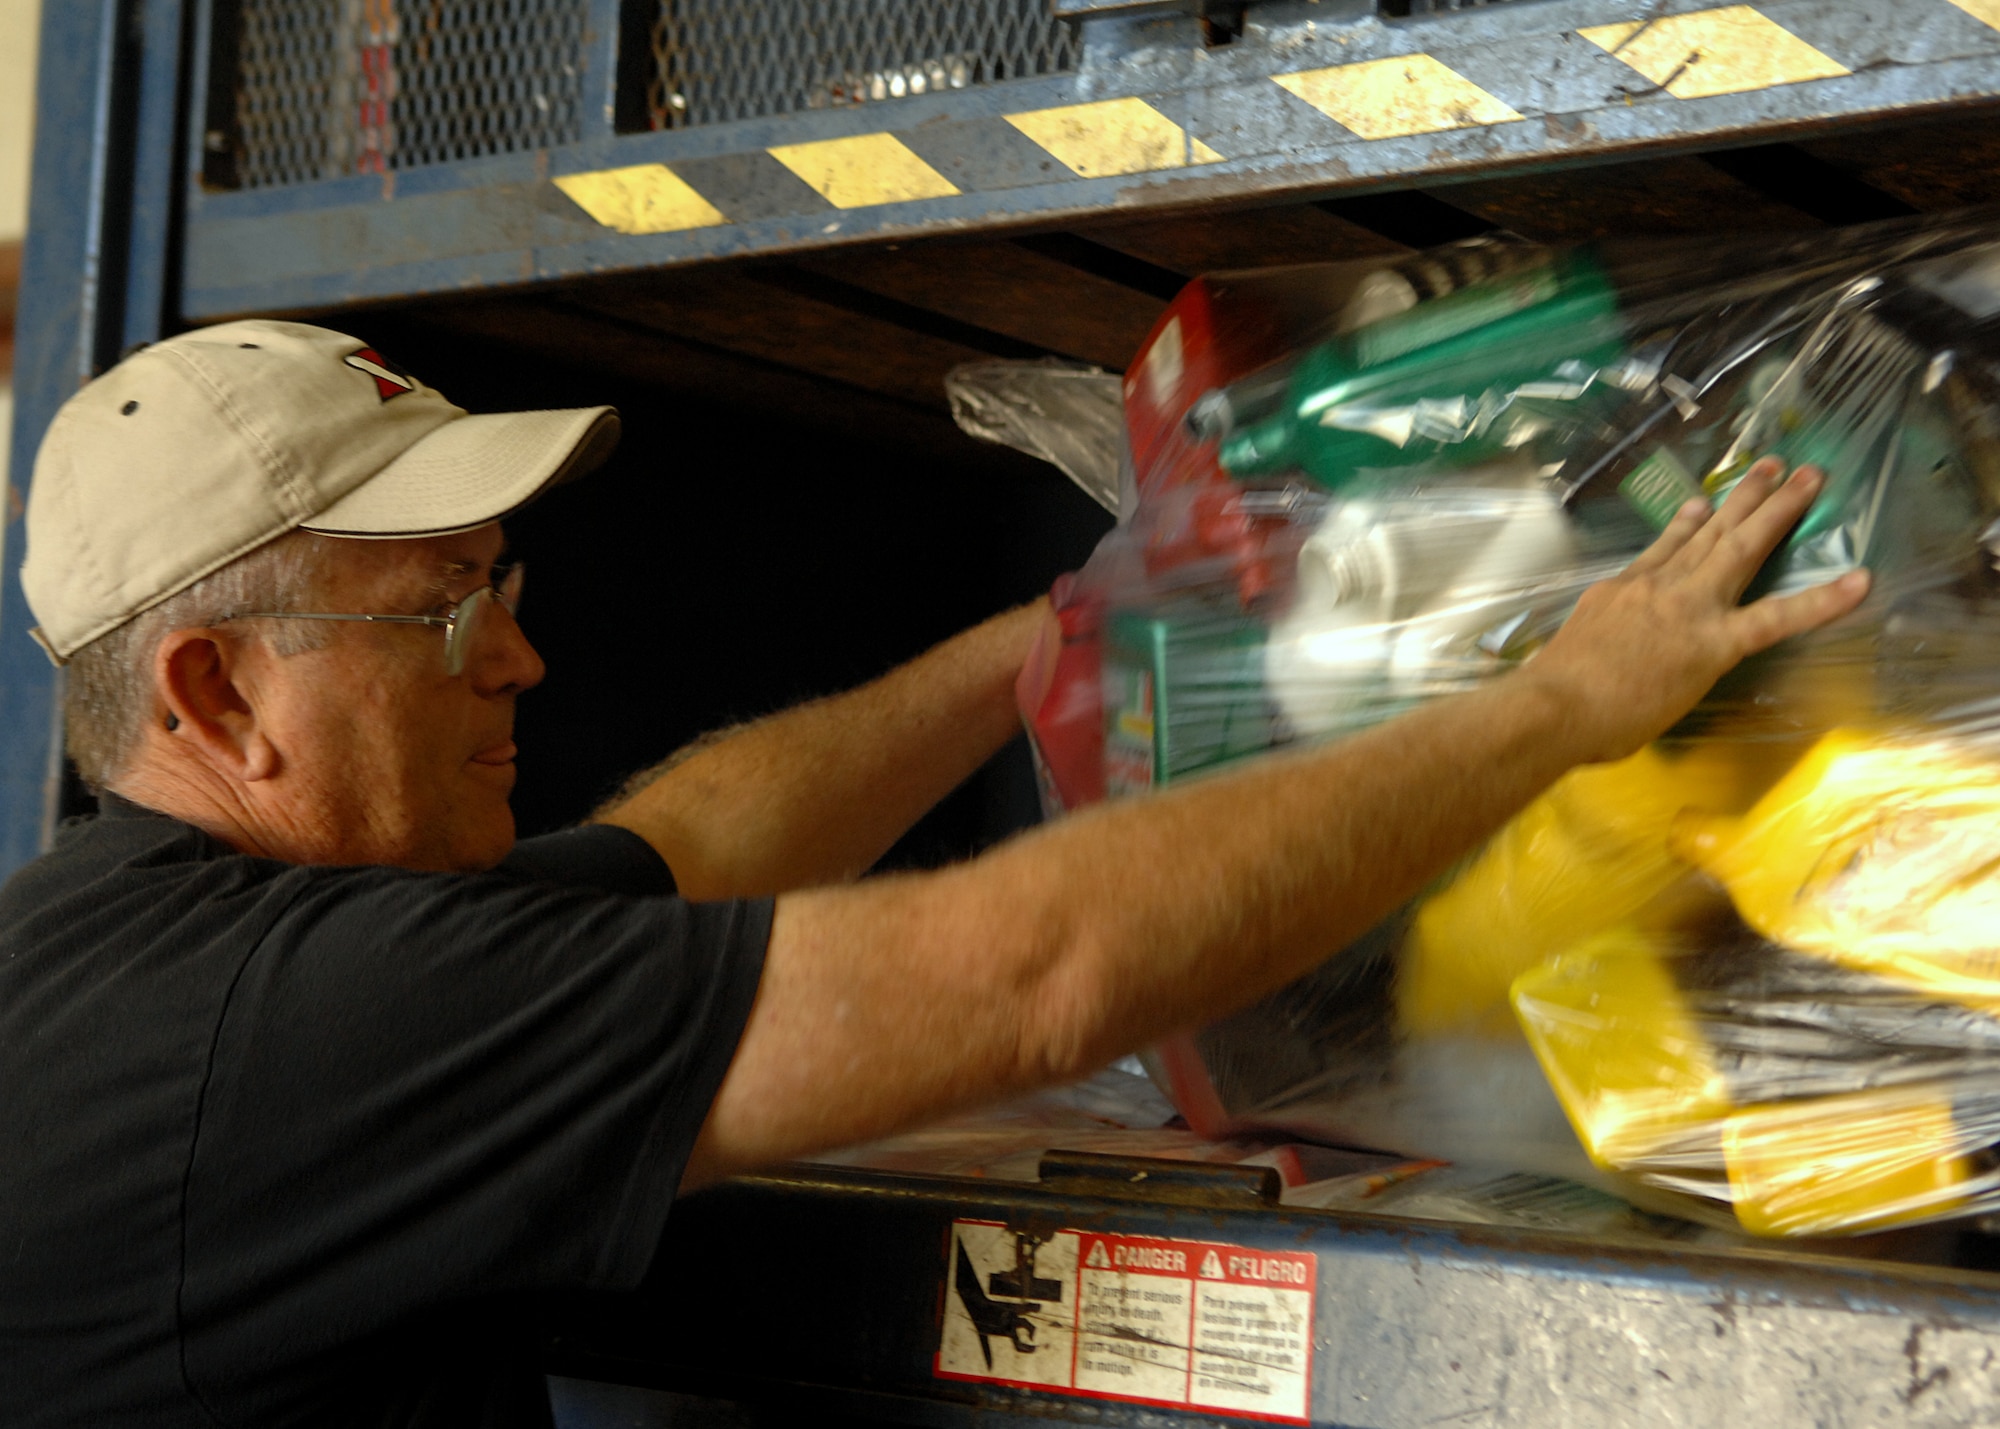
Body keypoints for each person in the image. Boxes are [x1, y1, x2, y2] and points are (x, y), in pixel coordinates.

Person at [0, 320, 1868, 1427]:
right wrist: (1559, 709)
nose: (521, 658)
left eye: (509, 590)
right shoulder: (297, 1030)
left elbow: (699, 842)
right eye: (447, 614)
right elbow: (1032, 969)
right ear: (212, 690)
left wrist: (1061, 625)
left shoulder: (142, 952)